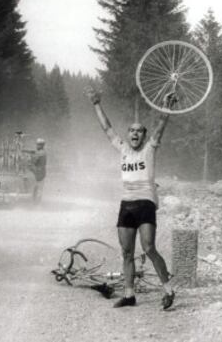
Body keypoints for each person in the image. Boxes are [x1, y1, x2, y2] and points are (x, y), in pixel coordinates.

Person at [86, 87, 176, 310]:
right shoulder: (123, 148)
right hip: (126, 204)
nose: (135, 134)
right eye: (132, 131)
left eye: (139, 131)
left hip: (145, 203)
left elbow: (161, 127)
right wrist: (96, 104)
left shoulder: (149, 150)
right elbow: (106, 128)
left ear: (144, 136)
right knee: (127, 252)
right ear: (128, 135)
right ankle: (129, 295)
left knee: (148, 248)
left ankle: (169, 290)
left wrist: (167, 107)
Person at [30, 138, 47, 203]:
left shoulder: (40, 153)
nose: (36, 146)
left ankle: (35, 203)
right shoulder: (43, 152)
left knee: (36, 188)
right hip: (42, 173)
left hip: (38, 173)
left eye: (38, 145)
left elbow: (33, 161)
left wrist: (31, 157)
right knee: (39, 189)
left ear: (41, 145)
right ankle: (36, 202)